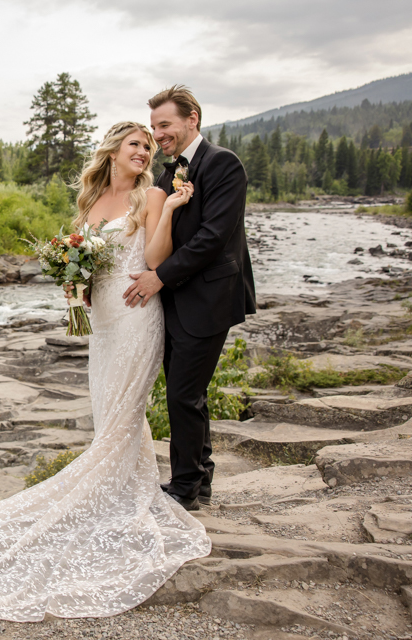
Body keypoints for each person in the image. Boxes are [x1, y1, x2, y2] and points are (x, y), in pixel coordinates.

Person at [0, 120, 212, 623]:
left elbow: (157, 258)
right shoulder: (91, 202)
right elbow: (86, 262)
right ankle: (125, 489)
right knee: (110, 414)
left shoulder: (153, 195)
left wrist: (173, 211)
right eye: (135, 144)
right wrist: (74, 283)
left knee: (123, 412)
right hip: (103, 321)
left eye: (148, 144)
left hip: (138, 315)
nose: (144, 151)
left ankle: (111, 497)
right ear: (113, 151)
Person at [122, 86, 256, 511]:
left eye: (165, 125)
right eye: (155, 127)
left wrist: (158, 277)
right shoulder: (167, 175)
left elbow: (212, 238)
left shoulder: (223, 164)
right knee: (187, 393)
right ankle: (201, 480)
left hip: (211, 298)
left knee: (182, 393)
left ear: (191, 119)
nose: (159, 134)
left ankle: (183, 488)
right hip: (175, 301)